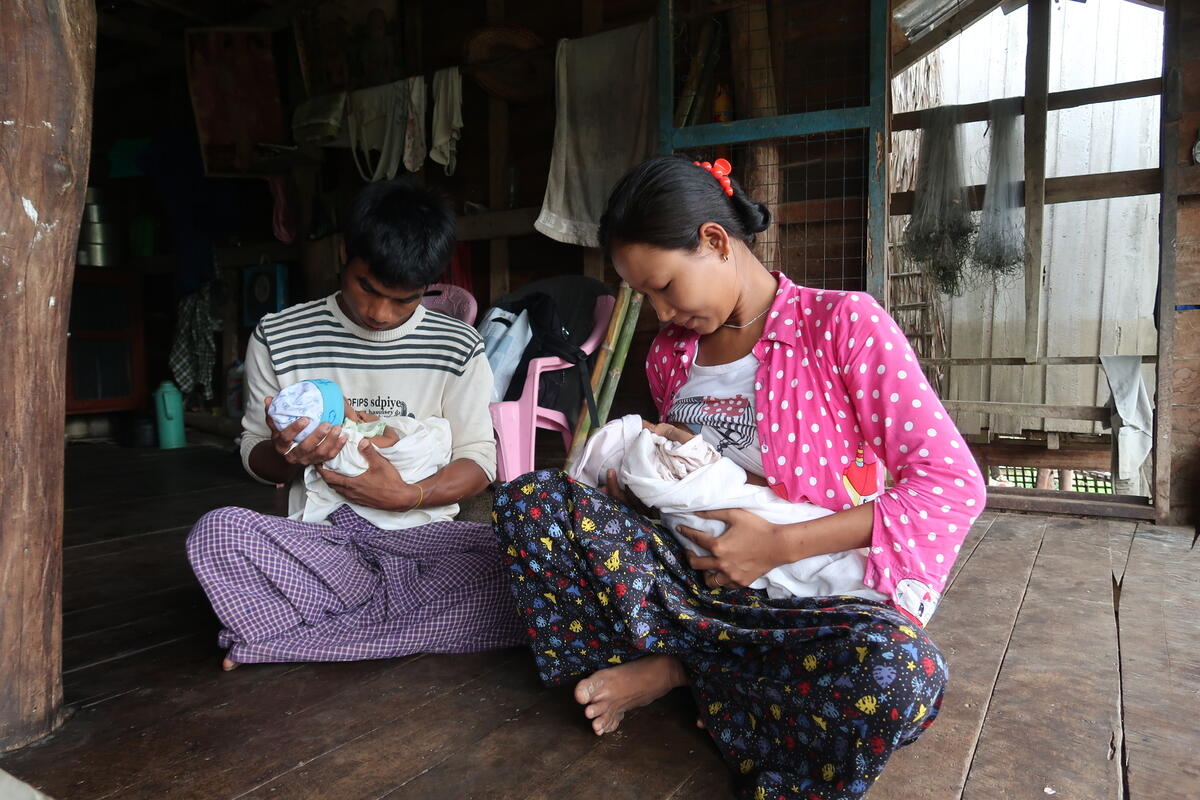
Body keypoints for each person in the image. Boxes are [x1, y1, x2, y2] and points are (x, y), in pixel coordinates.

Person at [492, 156, 988, 800]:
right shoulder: (674, 354)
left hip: (806, 602)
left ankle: (680, 671)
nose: (661, 312)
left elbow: (951, 485)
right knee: (533, 504)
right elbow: (689, 482)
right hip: (696, 582)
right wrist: (633, 489)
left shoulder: (842, 325)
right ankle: (738, 684)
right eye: (645, 296)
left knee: (901, 677)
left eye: (665, 285)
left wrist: (776, 546)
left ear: (715, 242)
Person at [187, 179, 523, 669]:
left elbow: (479, 461)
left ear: (428, 284)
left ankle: (291, 635)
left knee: (527, 562)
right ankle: (400, 626)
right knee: (217, 533)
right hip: (323, 547)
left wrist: (408, 496)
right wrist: (287, 453)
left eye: (404, 299)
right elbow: (255, 456)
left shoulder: (457, 346)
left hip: (425, 548)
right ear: (345, 253)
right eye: (367, 287)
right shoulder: (279, 336)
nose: (379, 313)